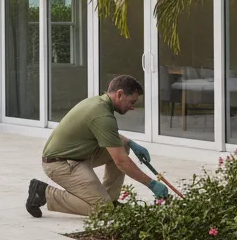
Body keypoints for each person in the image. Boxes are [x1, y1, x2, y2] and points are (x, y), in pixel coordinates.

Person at [25, 74, 168, 218]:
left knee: (122, 147)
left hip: (77, 155)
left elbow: (108, 134)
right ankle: (44, 193)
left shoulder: (99, 103)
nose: (132, 107)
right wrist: (151, 184)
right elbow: (121, 162)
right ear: (120, 94)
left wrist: (130, 143)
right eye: (132, 102)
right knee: (102, 210)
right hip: (60, 164)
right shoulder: (102, 115)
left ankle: (111, 200)